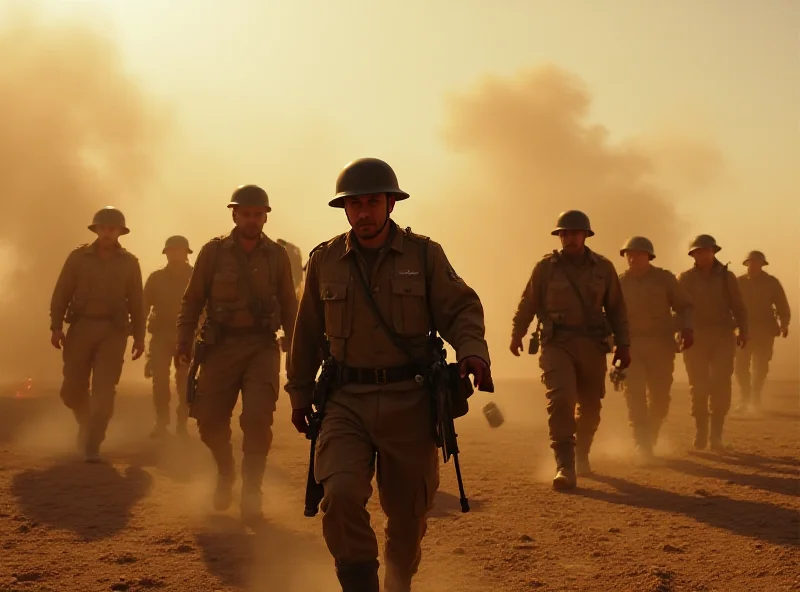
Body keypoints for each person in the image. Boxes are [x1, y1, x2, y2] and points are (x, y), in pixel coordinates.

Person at [286, 157, 492, 592]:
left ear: (391, 204)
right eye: (354, 204)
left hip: (411, 402)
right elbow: (305, 333)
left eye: (373, 202)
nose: (364, 212)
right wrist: (299, 393)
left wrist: (473, 352)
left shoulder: (424, 255)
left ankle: (398, 584)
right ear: (344, 210)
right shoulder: (324, 260)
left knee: (407, 516)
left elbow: (461, 309)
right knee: (339, 495)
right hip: (346, 400)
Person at [175, 185, 298, 521]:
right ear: (234, 214)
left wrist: (297, 347)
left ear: (265, 216)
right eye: (246, 213)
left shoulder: (276, 256)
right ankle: (226, 471)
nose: (252, 220)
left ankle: (251, 491)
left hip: (261, 347)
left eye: (258, 214)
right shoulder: (213, 253)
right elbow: (192, 299)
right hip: (220, 347)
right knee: (209, 421)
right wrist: (183, 340)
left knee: (258, 419)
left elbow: (290, 305)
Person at [510, 210, 630, 490]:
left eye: (575, 233)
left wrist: (624, 344)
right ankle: (565, 464)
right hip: (557, 344)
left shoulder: (604, 268)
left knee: (590, 406)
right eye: (564, 233)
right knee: (561, 398)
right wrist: (518, 333)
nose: (569, 238)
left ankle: (582, 452)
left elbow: (617, 309)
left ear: (586, 235)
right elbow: (528, 302)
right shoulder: (545, 268)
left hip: (592, 345)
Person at [49, 206, 145, 462]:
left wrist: (139, 336)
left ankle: (92, 442)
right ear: (96, 229)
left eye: (112, 229)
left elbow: (137, 301)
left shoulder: (129, 263)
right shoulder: (78, 258)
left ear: (120, 232)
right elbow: (61, 293)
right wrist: (56, 327)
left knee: (104, 390)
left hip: (113, 333)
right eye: (103, 228)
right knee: (71, 390)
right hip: (80, 329)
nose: (107, 233)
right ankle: (86, 422)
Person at [618, 236, 693, 462]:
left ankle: (650, 436)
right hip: (631, 346)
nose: (632, 258)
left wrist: (686, 329)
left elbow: (684, 306)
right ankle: (643, 445)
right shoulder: (619, 283)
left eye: (638, 253)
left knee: (660, 398)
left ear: (648, 256)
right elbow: (608, 313)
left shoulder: (665, 279)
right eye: (628, 254)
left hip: (661, 345)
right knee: (635, 396)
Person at [678, 235, 748, 450]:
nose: (703, 255)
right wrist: (681, 331)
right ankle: (701, 430)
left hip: (722, 335)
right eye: (698, 252)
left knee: (720, 383)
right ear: (693, 255)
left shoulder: (727, 278)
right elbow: (680, 307)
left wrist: (743, 330)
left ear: (713, 252)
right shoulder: (685, 278)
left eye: (706, 251)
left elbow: (738, 305)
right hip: (695, 336)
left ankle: (716, 434)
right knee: (698, 385)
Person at [143, 235, 194, 438]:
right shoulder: (156, 278)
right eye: (171, 250)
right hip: (161, 334)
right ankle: (162, 422)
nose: (175, 254)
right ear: (166, 253)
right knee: (160, 381)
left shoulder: (196, 276)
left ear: (186, 253)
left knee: (185, 382)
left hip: (187, 335)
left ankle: (181, 423)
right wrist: (139, 335)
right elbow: (144, 306)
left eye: (179, 250)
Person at [734, 250, 791, 412]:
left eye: (757, 263)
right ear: (746, 264)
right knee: (740, 366)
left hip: (765, 330)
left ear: (762, 265)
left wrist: (784, 324)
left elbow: (782, 305)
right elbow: (729, 306)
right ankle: (745, 397)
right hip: (743, 330)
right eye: (751, 263)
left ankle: (755, 397)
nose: (753, 266)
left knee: (761, 367)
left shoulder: (772, 283)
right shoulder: (738, 283)